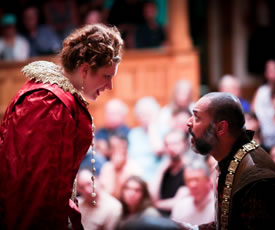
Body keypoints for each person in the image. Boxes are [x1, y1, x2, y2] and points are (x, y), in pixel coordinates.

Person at [0, 23, 123, 230]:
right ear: (84, 70)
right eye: (106, 76)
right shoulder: (46, 102)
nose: (110, 86)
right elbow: (36, 185)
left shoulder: (60, 96)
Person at [186, 92, 275, 230]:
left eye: (197, 117)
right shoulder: (231, 159)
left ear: (221, 128)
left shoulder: (257, 181)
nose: (188, 122)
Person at [149, 129, 188, 217]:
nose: (170, 148)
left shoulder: (190, 169)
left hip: (180, 217)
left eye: (174, 143)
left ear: (184, 144)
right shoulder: (164, 168)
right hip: (160, 215)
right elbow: (152, 196)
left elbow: (178, 203)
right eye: (167, 144)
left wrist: (156, 204)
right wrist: (160, 172)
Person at [171, 158, 215, 226]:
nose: (192, 185)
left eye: (197, 179)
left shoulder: (217, 206)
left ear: (208, 180)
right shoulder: (180, 206)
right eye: (188, 180)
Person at [99, 133, 142, 199]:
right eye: (111, 147)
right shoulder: (106, 167)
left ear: (125, 147)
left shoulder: (134, 167)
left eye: (116, 147)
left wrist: (117, 171)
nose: (113, 150)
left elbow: (128, 198)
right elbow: (103, 194)